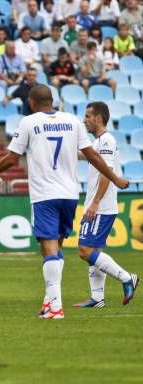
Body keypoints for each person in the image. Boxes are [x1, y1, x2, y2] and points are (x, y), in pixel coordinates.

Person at [0, 85, 130, 319]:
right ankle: (49, 301)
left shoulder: (29, 122)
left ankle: (56, 307)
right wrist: (115, 177)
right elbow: (93, 156)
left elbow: (12, 158)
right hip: (69, 194)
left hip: (45, 194)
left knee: (48, 248)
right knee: (54, 247)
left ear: (32, 103)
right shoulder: (73, 121)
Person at [74, 102, 139, 308]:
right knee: (94, 250)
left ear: (98, 118)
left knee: (85, 250)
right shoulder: (98, 142)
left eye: (87, 116)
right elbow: (85, 155)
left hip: (100, 206)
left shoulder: (107, 141)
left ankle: (127, 278)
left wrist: (95, 202)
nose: (84, 120)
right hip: (97, 204)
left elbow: (106, 173)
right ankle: (97, 298)